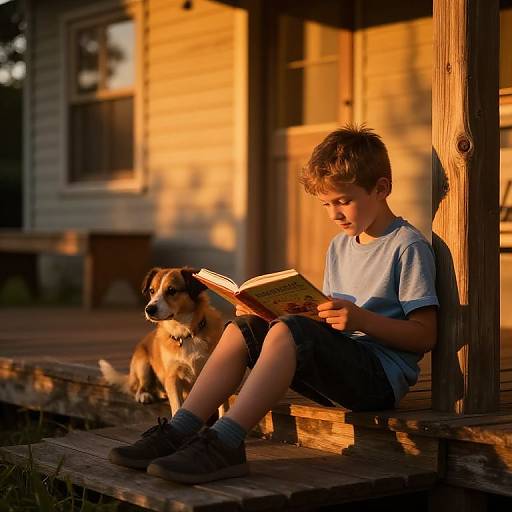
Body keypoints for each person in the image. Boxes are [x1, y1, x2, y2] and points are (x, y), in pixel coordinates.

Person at [108, 124, 439, 485]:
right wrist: (271, 312)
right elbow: (323, 322)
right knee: (245, 328)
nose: (334, 214)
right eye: (327, 204)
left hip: (378, 380)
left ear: (381, 188)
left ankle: (225, 443)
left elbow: (424, 336)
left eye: (343, 201)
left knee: (294, 332)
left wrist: (360, 318)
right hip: (339, 367)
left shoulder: (407, 246)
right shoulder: (340, 246)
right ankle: (179, 430)